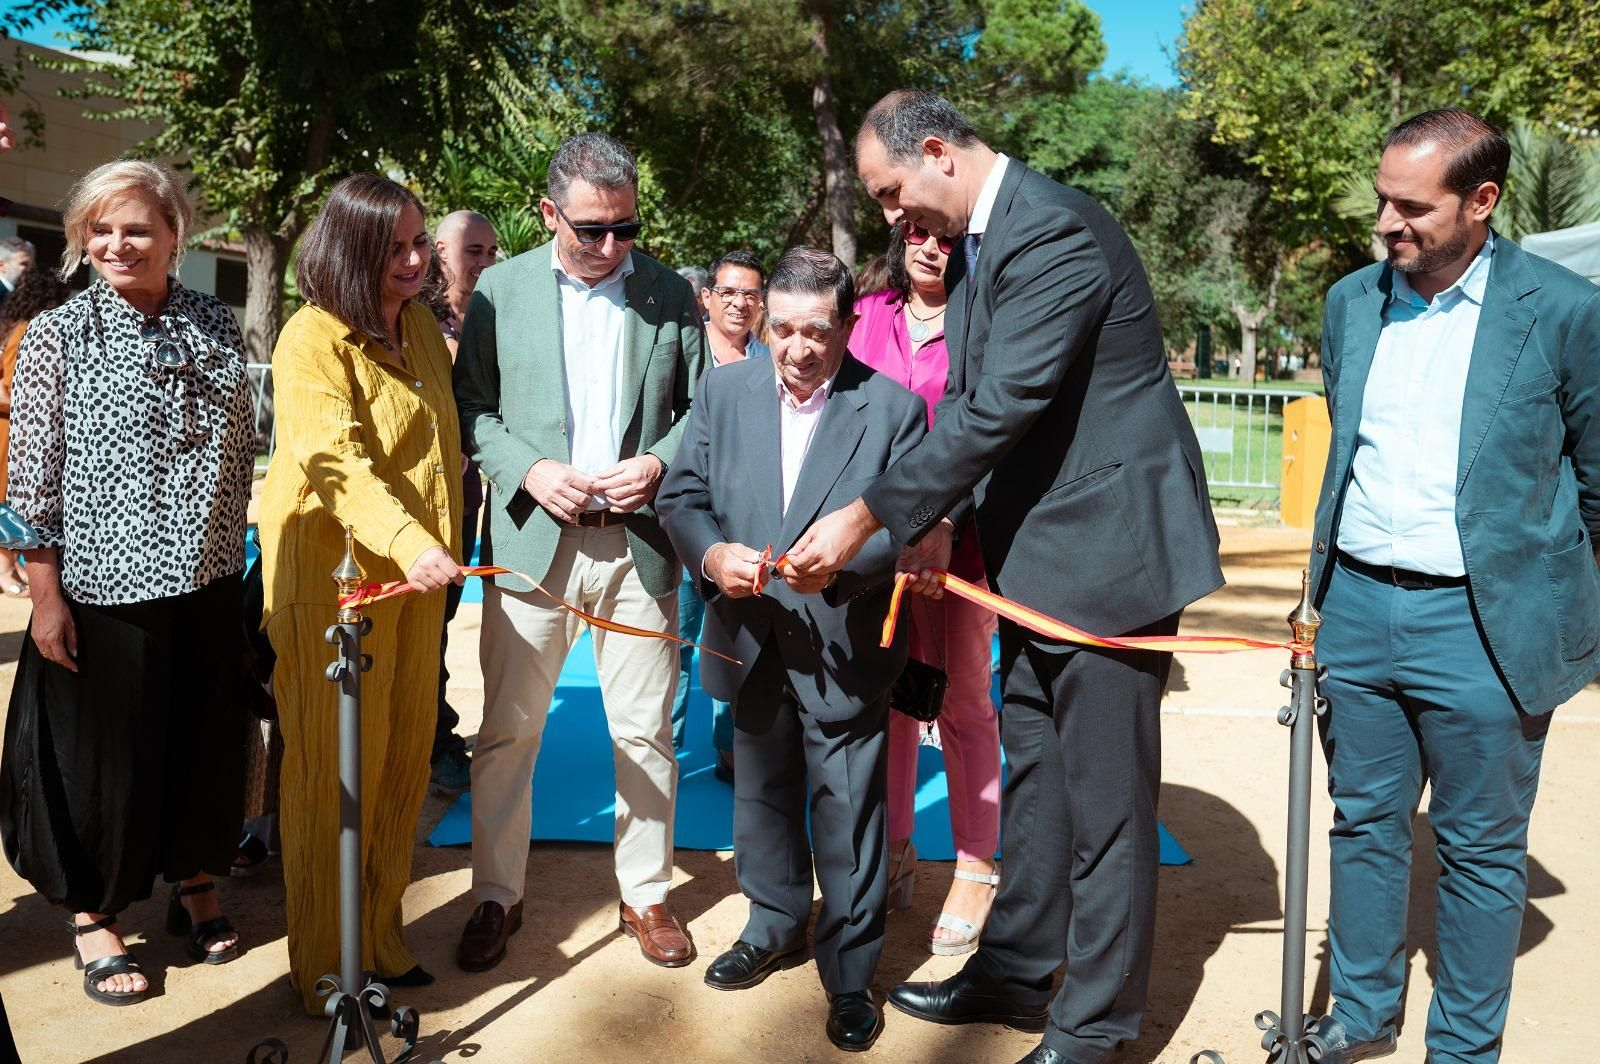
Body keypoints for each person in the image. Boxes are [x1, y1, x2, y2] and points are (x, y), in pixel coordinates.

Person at [785, 90, 1223, 1064]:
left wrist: (863, 515)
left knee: (1106, 803)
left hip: (1112, 556)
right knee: (1035, 769)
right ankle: (1018, 967)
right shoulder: (988, 242)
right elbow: (984, 404)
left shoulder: (1051, 231)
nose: (895, 219)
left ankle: (1097, 1024)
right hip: (1039, 556)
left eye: (892, 193)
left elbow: (1000, 408)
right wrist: (938, 520)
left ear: (936, 151)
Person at [1304, 108, 1600, 1064]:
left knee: (1479, 852)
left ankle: (1464, 1049)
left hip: (1486, 625)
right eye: (1380, 197)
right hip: (1354, 607)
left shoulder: (1562, 309)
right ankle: (1360, 1012)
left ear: (1483, 201)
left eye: (1411, 206)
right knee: (1364, 825)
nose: (1386, 222)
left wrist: (1544, 597)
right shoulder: (1352, 302)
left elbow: (1597, 478)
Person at [656, 246, 927, 1053]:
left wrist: (846, 562)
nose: (798, 348)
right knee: (760, 795)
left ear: (847, 324)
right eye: (783, 330)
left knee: (848, 811)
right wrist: (710, 556)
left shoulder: (895, 410)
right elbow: (683, 494)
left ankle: (849, 974)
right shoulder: (723, 389)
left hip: (843, 640)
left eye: (817, 330)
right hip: (748, 635)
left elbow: (911, 522)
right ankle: (773, 923)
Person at [0, 159, 256, 1007]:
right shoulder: (57, 336)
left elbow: (241, 454)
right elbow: (30, 483)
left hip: (213, 582)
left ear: (175, 235)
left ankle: (192, 879)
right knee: (104, 766)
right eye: (100, 229)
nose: (117, 244)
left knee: (200, 746)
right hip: (105, 592)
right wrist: (44, 598)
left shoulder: (216, 322)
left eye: (137, 228)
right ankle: (96, 913)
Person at [453, 132, 707, 973]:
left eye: (625, 228)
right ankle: (496, 893)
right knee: (509, 733)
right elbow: (474, 410)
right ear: (548, 211)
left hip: (639, 549)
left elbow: (701, 413)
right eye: (592, 229)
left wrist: (660, 462)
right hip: (532, 545)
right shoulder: (499, 289)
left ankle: (646, 895)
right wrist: (530, 468)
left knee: (644, 735)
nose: (610, 247)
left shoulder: (672, 294)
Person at [258, 173, 463, 1014]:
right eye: (395, 248)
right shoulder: (310, 338)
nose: (415, 261)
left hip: (414, 585)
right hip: (334, 587)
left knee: (402, 763)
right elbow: (334, 461)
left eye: (421, 243)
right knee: (330, 775)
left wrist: (434, 553)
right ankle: (328, 967)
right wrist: (416, 544)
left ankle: (377, 936)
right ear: (350, 249)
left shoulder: (417, 326)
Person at [850, 220, 1001, 954]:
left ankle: (976, 866)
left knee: (965, 701)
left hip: (961, 547)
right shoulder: (867, 314)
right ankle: (899, 847)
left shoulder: (984, 319)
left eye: (942, 235)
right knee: (895, 700)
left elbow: (991, 433)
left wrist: (942, 519)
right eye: (914, 231)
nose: (927, 245)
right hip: (879, 548)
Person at [672, 250, 769, 778]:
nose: (739, 303)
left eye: (751, 294)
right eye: (728, 292)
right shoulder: (682, 357)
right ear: (706, 298)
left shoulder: (771, 361)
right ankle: (665, 748)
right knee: (677, 642)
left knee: (738, 643)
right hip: (685, 524)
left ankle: (733, 748)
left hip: (745, 528)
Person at [427, 209, 500, 794]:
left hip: (466, 498)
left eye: (491, 251)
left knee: (444, 621)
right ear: (438, 252)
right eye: (472, 250)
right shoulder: (411, 316)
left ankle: (435, 736)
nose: (484, 262)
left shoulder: (493, 317)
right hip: (412, 500)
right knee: (420, 627)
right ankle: (435, 740)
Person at [0, 268, 72, 596]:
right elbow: (14, 388)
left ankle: (9, 566)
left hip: (13, 426)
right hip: (11, 428)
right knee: (8, 504)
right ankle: (4, 570)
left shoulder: (18, 326)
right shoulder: (28, 330)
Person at [0, 235, 35, 310]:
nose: (30, 269)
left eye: (31, 265)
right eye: (23, 264)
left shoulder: (27, 294)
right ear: (2, 265)